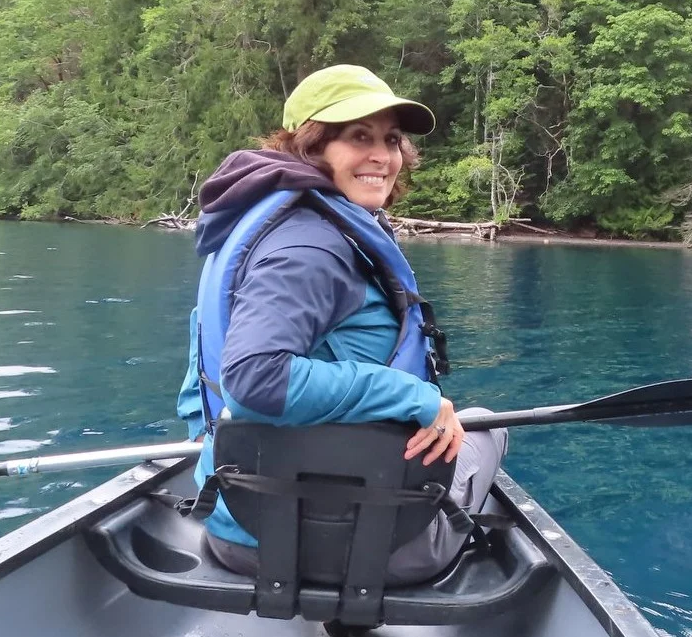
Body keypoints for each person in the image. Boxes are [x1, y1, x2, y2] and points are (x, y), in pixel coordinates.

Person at [177, 64, 507, 585]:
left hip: (239, 527)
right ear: (310, 146)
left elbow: (204, 369)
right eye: (359, 137)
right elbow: (253, 377)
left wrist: (210, 435)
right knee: (487, 426)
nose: (383, 156)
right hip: (354, 546)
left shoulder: (263, 218)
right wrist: (415, 397)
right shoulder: (310, 247)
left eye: (391, 140)